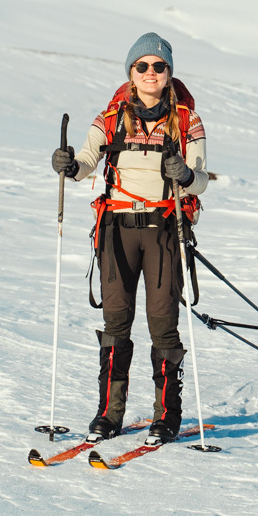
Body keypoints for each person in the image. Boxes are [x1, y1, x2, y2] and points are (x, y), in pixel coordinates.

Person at [51, 32, 209, 445]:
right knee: (115, 322)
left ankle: (166, 416)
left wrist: (187, 176)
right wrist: (68, 165)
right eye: (143, 66)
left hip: (163, 227)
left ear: (169, 72)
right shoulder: (110, 117)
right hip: (116, 229)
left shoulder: (187, 120)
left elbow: (200, 180)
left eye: (159, 66)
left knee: (163, 324)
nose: (151, 73)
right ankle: (108, 413)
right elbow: (86, 161)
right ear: (131, 72)